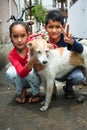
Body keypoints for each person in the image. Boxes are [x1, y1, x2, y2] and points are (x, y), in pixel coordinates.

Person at [44, 10, 86, 99]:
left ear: (63, 27)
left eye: (57, 27)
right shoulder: (44, 44)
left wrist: (72, 42)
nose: (54, 30)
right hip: (54, 72)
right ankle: (52, 86)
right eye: (51, 27)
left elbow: (81, 49)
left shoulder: (67, 38)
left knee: (78, 77)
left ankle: (68, 88)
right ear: (45, 27)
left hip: (69, 71)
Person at [6, 21, 43, 103]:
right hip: (23, 80)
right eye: (15, 36)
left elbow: (49, 47)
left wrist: (50, 46)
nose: (19, 40)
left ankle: (36, 93)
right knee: (10, 72)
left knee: (30, 72)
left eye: (23, 36)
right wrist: (31, 61)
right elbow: (21, 73)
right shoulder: (12, 55)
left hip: (36, 79)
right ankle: (22, 91)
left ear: (28, 35)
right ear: (10, 37)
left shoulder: (32, 46)